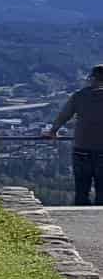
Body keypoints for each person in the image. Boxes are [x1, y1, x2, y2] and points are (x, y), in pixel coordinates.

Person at [44, 65, 103, 205]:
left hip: (81, 149)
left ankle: (81, 221)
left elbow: (64, 115)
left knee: (82, 191)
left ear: (92, 78)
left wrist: (53, 131)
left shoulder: (80, 96)